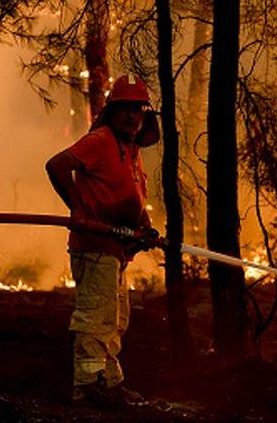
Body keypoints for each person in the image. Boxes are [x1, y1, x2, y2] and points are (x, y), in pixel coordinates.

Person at [45, 74, 162, 406]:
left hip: (115, 252)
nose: (131, 116)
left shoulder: (132, 148)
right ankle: (87, 385)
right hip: (94, 247)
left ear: (145, 116)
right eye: (124, 109)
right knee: (96, 316)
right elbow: (56, 165)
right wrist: (79, 209)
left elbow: (134, 194)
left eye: (138, 110)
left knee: (115, 317)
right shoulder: (100, 141)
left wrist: (145, 227)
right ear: (112, 112)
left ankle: (108, 382)